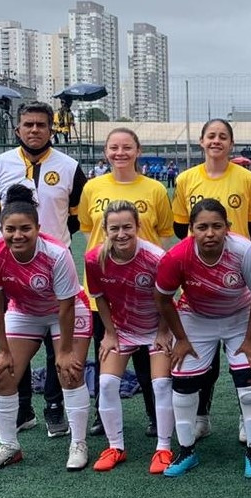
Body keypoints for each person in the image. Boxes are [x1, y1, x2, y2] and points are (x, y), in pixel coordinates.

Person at [0, 100, 89, 439]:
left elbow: (74, 217)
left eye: (41, 125)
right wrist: (17, 240)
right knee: (18, 336)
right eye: (28, 125)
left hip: (55, 262)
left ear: (51, 128)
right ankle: (23, 409)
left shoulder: (70, 166)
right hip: (14, 264)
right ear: (18, 129)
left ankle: (55, 408)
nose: (34, 130)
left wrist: (50, 242)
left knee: (58, 339)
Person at [155, 199, 251, 478]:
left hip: (241, 318)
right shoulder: (177, 256)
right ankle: (186, 452)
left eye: (217, 226)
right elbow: (163, 297)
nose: (210, 233)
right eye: (202, 227)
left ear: (227, 228)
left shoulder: (244, 251)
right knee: (183, 387)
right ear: (191, 229)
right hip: (197, 318)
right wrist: (180, 339)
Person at [0, 185, 92, 471]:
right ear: (1, 229)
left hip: (65, 310)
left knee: (70, 370)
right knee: (3, 374)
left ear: (38, 227)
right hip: (25, 310)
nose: (17, 235)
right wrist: (3, 351)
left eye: (25, 228)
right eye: (10, 229)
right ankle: (9, 446)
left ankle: (78, 442)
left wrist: (65, 351)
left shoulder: (55, 253)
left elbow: (66, 305)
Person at [171, 118, 251, 442]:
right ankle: (202, 414)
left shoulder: (245, 178)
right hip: (200, 275)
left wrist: (234, 252)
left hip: (236, 273)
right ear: (201, 141)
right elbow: (179, 228)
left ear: (231, 143)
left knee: (242, 356)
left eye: (222, 136)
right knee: (203, 357)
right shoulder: (185, 180)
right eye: (211, 136)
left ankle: (245, 417)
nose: (216, 141)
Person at [78, 128, 173, 441]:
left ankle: (154, 415)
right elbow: (89, 230)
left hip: (146, 289)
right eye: (114, 147)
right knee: (107, 348)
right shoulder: (92, 187)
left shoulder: (156, 189)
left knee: (150, 360)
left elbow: (163, 233)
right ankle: (101, 416)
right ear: (106, 152)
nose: (120, 153)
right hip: (106, 288)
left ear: (138, 150)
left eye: (127, 147)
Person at [85, 201, 176, 474]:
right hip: (122, 331)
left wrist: (163, 332)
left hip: (156, 327)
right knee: (107, 382)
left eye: (127, 227)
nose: (121, 233)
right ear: (105, 230)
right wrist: (110, 335)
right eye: (114, 228)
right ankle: (116, 447)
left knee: (161, 385)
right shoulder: (94, 259)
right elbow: (99, 298)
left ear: (138, 227)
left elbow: (168, 300)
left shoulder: (157, 258)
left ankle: (163, 448)